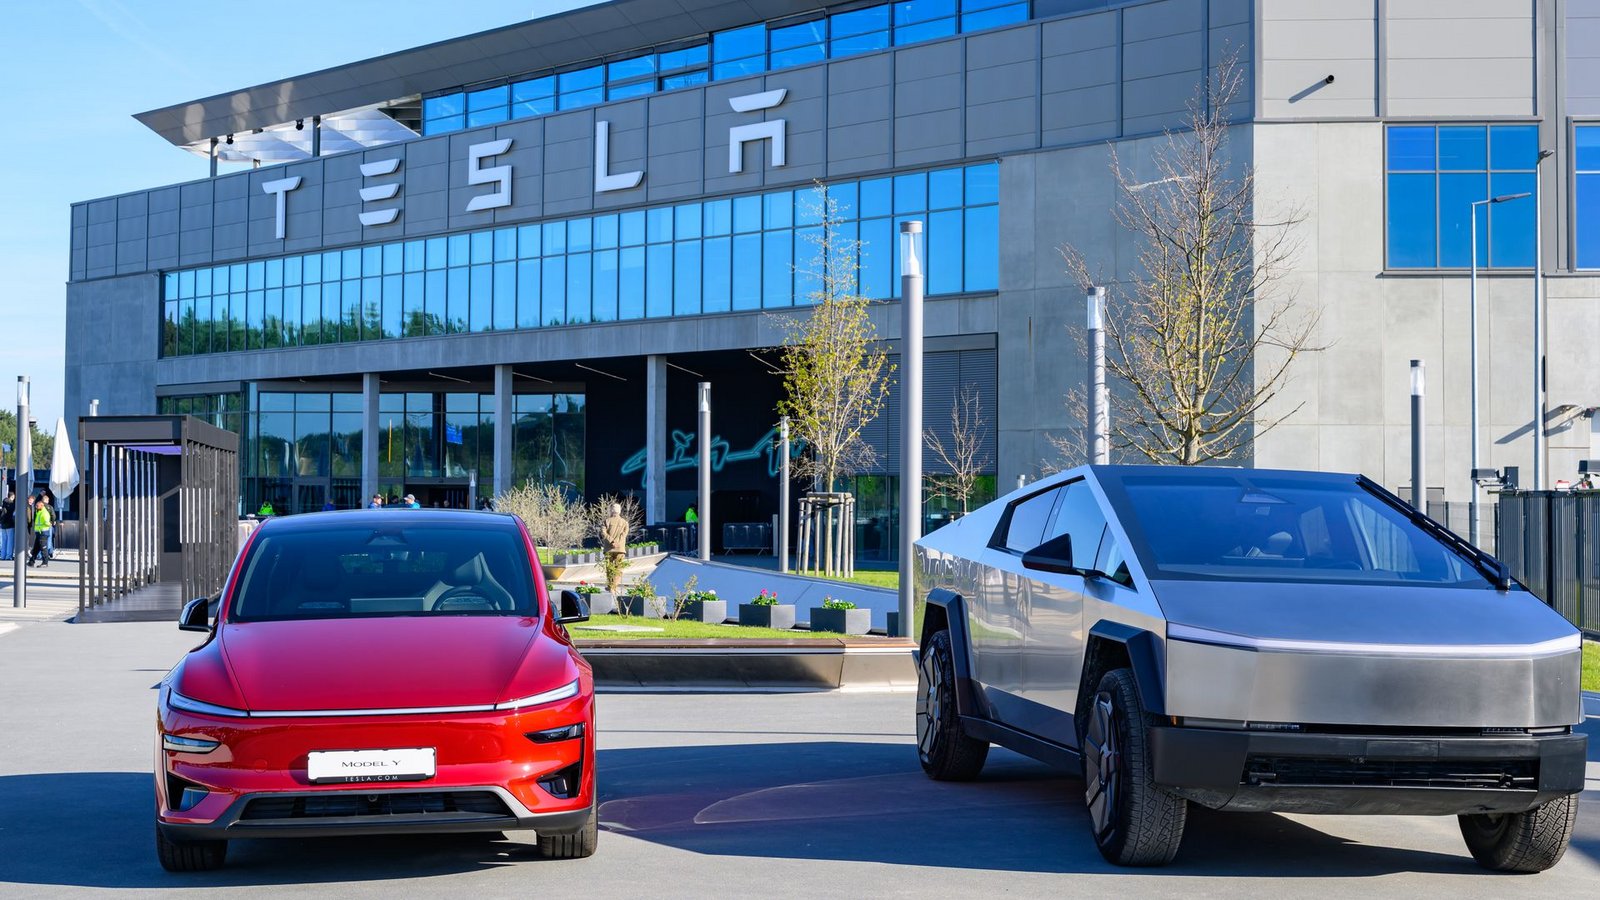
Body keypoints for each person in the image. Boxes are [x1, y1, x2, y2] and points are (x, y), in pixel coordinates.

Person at [27, 497, 52, 568]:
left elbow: (47, 522)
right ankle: (31, 562)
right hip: (39, 533)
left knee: (43, 548)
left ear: (42, 506)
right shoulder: (39, 512)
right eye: (36, 506)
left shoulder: (44, 513)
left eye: (37, 506)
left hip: (43, 533)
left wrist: (48, 524)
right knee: (36, 548)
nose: (36, 507)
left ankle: (45, 562)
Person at [0, 488, 14, 562]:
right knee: (10, 541)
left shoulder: (3, 503)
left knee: (4, 540)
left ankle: (3, 555)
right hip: (10, 524)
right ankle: (8, 556)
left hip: (3, 524)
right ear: (12, 496)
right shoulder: (11, 504)